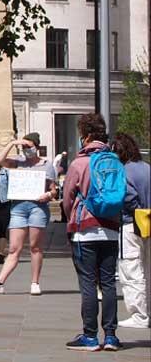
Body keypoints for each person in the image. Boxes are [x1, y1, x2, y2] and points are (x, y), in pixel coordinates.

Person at [62, 113, 121, 351]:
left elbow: (67, 198)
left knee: (88, 283)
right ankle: (111, 336)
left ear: (84, 135)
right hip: (111, 229)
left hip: (85, 230)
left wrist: (69, 221)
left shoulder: (79, 163)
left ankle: (89, 336)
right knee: (108, 283)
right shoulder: (115, 160)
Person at [0, 133, 56, 295]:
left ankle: (35, 282)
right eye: (24, 147)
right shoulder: (18, 162)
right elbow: (0, 161)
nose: (26, 150)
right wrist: (13, 143)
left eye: (29, 147)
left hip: (37, 208)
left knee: (35, 247)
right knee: (14, 248)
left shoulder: (47, 165)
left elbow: (53, 190)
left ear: (36, 147)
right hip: (19, 208)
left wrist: (47, 195)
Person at [112, 133, 149, 329]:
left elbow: (128, 197)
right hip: (147, 221)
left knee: (131, 269)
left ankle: (139, 315)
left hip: (130, 224)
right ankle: (147, 312)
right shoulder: (146, 168)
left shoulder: (124, 171)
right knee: (146, 269)